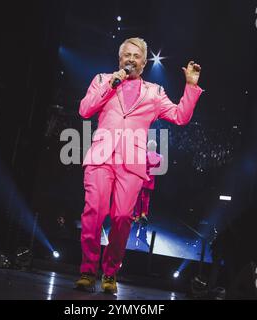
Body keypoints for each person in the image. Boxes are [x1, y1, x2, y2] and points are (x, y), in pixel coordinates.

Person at [75, 37, 203, 293]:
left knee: (122, 217)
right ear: (120, 59)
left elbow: (179, 116)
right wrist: (111, 85)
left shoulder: (154, 92)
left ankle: (110, 273)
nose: (131, 60)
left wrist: (190, 86)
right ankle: (88, 270)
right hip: (101, 156)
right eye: (127, 55)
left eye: (136, 56)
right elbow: (85, 110)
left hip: (132, 162)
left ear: (144, 63)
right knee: (94, 214)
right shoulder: (102, 80)